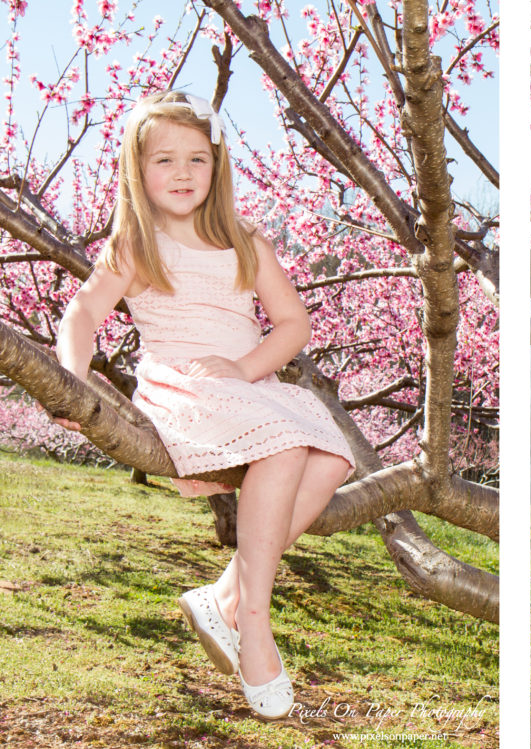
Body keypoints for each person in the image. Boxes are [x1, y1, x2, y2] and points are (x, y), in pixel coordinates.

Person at [52, 91, 355, 719]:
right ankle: (252, 618)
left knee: (331, 458)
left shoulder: (246, 242)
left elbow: (293, 325)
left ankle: (219, 597)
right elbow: (82, 314)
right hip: (184, 381)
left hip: (246, 383)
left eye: (198, 158)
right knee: (288, 443)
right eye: (165, 161)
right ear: (137, 172)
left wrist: (244, 367)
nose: (183, 173)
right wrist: (73, 381)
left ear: (217, 166)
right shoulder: (134, 245)